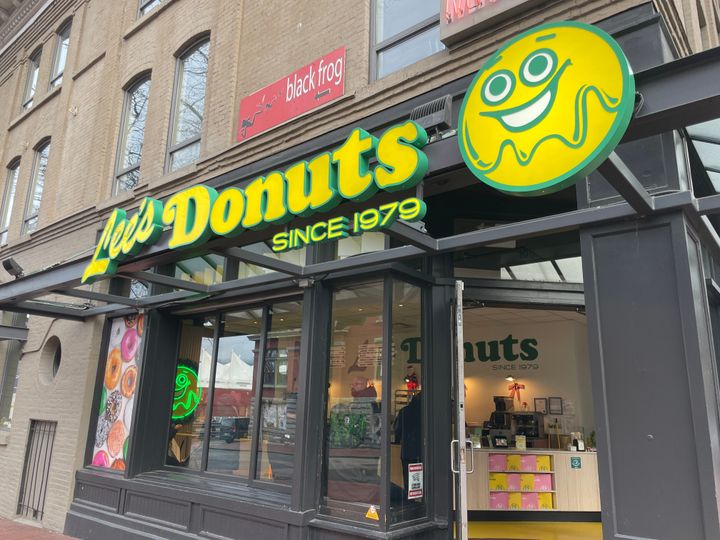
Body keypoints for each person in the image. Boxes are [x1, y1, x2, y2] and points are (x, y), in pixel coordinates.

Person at [393, 391, 422, 491]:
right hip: (422, 451)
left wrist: (399, 440)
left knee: (408, 478)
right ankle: (422, 496)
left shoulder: (403, 411)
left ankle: (409, 496)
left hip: (407, 451)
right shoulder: (426, 413)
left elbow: (397, 430)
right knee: (422, 477)